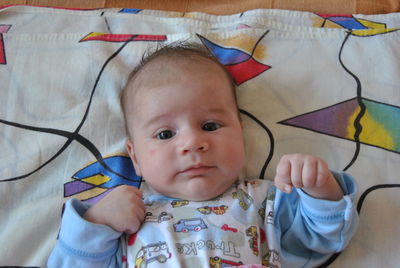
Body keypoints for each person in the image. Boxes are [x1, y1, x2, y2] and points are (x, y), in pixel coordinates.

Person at [47, 42, 358, 268]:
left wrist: (317, 186)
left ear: (240, 130)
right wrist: (96, 221)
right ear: (136, 157)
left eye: (210, 125)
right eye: (165, 134)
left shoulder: (268, 202)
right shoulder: (127, 219)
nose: (193, 143)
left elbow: (325, 237)